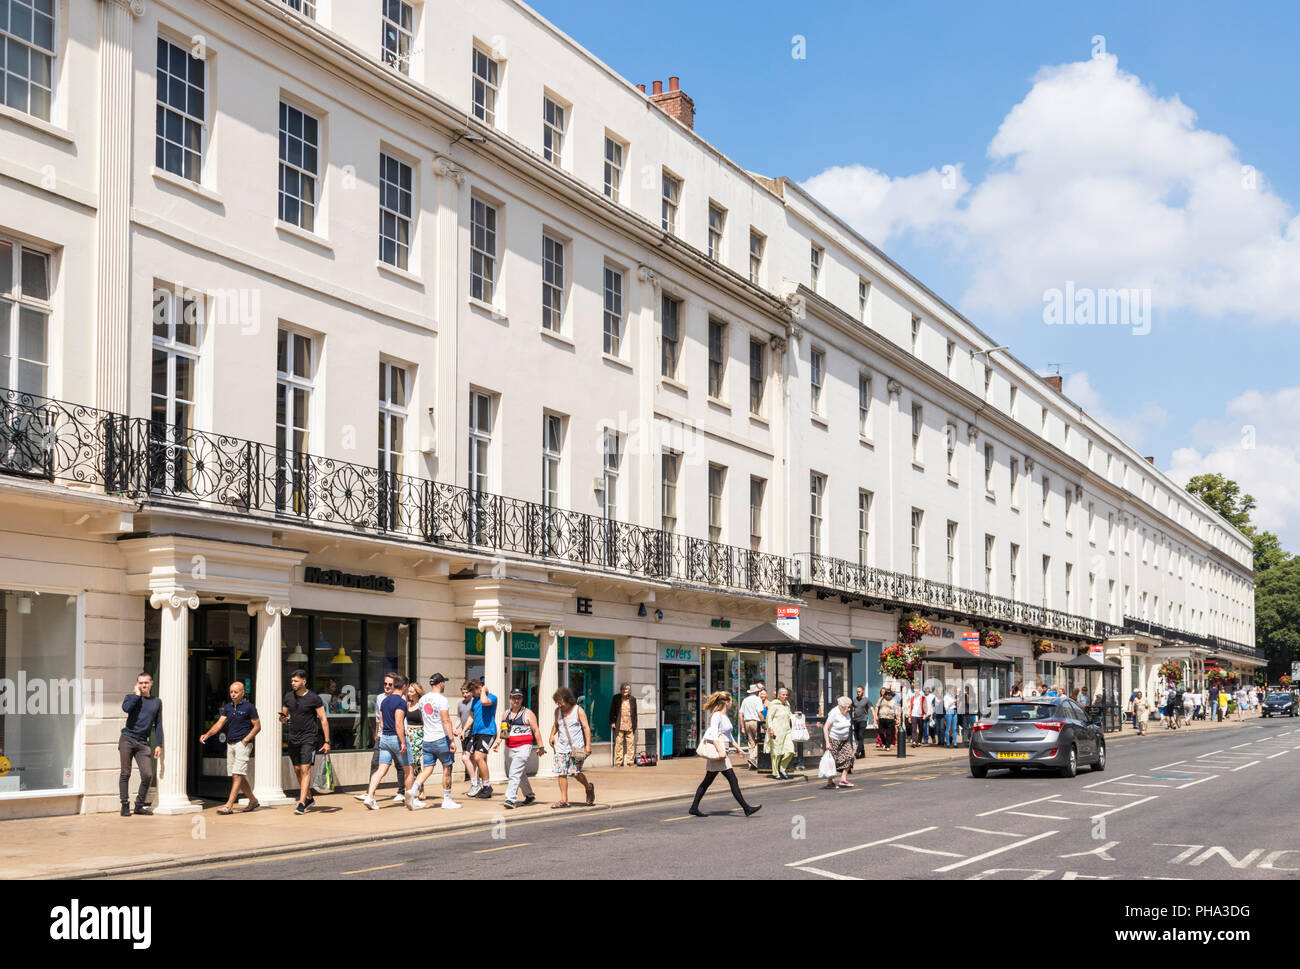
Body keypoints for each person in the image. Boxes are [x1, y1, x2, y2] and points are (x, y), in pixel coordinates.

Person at [688, 691, 761, 818]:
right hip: (720, 751)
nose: (732, 703)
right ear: (726, 702)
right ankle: (746, 808)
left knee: (707, 781)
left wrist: (739, 749)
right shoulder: (717, 715)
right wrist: (720, 750)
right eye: (731, 701)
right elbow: (713, 734)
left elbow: (729, 736)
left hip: (723, 750)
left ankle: (694, 807)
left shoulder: (724, 716)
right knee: (733, 780)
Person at [198, 681, 261, 815]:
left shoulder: (249, 707)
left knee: (237, 774)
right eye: (231, 692)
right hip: (230, 744)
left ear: (243, 693)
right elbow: (219, 724)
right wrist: (207, 735)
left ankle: (229, 805)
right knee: (237, 775)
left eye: (236, 692)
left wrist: (246, 740)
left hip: (242, 745)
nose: (233, 694)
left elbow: (257, 726)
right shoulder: (228, 707)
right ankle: (253, 800)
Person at [281, 669, 331, 815]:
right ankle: (309, 797)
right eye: (292, 681)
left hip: (309, 738)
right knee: (297, 769)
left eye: (296, 681)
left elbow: (323, 719)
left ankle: (301, 803)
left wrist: (327, 741)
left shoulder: (314, 698)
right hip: (293, 737)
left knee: (305, 770)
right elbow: (284, 715)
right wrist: (283, 718)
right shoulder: (288, 696)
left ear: (304, 682)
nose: (293, 683)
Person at [408, 673, 461, 811]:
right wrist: (451, 740)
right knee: (447, 768)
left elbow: (424, 718)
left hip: (427, 739)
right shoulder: (441, 700)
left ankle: (412, 791)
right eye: (444, 683)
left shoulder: (423, 699)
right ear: (441, 683)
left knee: (427, 769)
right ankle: (447, 800)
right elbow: (446, 720)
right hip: (441, 739)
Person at [362, 673, 411, 810]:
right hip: (396, 738)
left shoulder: (383, 701)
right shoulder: (401, 702)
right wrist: (402, 742)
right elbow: (399, 723)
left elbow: (381, 723)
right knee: (409, 770)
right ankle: (410, 800)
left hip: (384, 738)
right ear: (405, 686)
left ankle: (370, 796)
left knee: (380, 770)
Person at [119, 672, 164, 817]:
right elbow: (126, 709)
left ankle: (139, 805)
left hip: (143, 743)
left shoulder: (157, 702)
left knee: (147, 775)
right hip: (127, 738)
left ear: (151, 683)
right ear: (137, 684)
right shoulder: (131, 698)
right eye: (141, 683)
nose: (143, 685)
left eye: (146, 683)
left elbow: (158, 724)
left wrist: (159, 744)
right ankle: (125, 804)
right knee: (126, 773)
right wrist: (136, 695)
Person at [494, 688, 541, 808]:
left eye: (519, 697)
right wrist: (498, 742)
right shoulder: (506, 713)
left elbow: (535, 730)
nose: (516, 700)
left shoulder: (528, 713)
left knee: (514, 773)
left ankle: (510, 799)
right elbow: (504, 730)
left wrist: (541, 746)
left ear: (522, 699)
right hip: (509, 747)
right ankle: (529, 795)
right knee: (519, 773)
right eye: (514, 697)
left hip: (524, 747)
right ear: (510, 699)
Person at [549, 687, 594, 808]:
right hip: (561, 748)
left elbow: (586, 728)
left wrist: (588, 746)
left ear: (568, 700)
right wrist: (551, 735)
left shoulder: (578, 710)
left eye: (561, 702)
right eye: (557, 702)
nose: (559, 705)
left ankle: (588, 787)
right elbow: (556, 725)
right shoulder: (557, 711)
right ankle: (564, 800)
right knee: (561, 773)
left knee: (576, 773)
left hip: (577, 748)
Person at [466, 678, 498, 798]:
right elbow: (471, 717)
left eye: (474, 691)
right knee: (479, 759)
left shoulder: (492, 697)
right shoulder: (475, 700)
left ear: (479, 688)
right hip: (477, 732)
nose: (473, 694)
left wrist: (484, 690)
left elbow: (485, 702)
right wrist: (464, 730)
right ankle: (485, 786)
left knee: (478, 757)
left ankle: (487, 787)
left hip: (488, 732)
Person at [823, 696, 855, 789]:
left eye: (850, 707)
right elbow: (825, 728)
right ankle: (830, 782)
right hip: (834, 739)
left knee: (850, 756)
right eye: (848, 707)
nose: (849, 709)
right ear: (842, 706)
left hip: (844, 740)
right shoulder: (834, 713)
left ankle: (843, 779)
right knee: (832, 761)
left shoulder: (847, 713)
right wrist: (827, 742)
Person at [765, 685, 795, 778]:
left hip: (787, 731)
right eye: (783, 695)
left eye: (786, 695)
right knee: (776, 753)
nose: (785, 696)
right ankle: (775, 772)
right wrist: (771, 729)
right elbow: (769, 718)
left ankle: (782, 768)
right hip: (776, 731)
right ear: (778, 695)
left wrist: (796, 715)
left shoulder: (787, 704)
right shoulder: (774, 704)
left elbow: (789, 715)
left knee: (790, 751)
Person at [608, 682, 638, 768]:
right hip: (619, 724)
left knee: (630, 744)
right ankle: (618, 762)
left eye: (626, 689)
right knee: (618, 743)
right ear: (621, 690)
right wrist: (612, 722)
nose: (625, 691)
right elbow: (612, 711)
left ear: (629, 690)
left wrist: (635, 725)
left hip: (630, 724)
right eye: (623, 689)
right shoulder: (616, 698)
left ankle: (630, 762)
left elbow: (635, 714)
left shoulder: (633, 699)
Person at [405, 682, 426, 798]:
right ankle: (416, 789)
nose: (409, 694)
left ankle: (418, 790)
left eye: (411, 691)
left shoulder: (421, 705)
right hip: (408, 734)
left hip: (418, 735)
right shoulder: (407, 705)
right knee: (413, 764)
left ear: (417, 693)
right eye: (408, 691)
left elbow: (425, 723)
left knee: (414, 762)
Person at [457, 684, 479, 793]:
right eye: (463, 693)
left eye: (467, 692)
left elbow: (474, 718)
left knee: (465, 758)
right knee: (471, 760)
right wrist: (454, 728)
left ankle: (474, 783)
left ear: (471, 692)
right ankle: (476, 784)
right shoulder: (460, 704)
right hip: (463, 735)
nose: (465, 695)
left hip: (473, 734)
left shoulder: (475, 702)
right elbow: (459, 718)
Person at [739, 685, 764, 770]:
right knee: (760, 740)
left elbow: (740, 714)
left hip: (747, 722)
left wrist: (742, 727)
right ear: (757, 692)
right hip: (756, 722)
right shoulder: (758, 700)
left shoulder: (745, 700)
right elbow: (760, 713)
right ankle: (752, 758)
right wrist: (764, 722)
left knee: (751, 743)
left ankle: (752, 764)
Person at [851, 686, 873, 758]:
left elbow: (872, 709)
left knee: (861, 735)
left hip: (863, 720)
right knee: (858, 737)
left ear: (863, 691)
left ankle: (858, 751)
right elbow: (853, 709)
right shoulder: (854, 700)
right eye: (857, 691)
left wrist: (875, 719)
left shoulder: (867, 700)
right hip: (855, 720)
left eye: (859, 691)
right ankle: (863, 753)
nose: (858, 693)